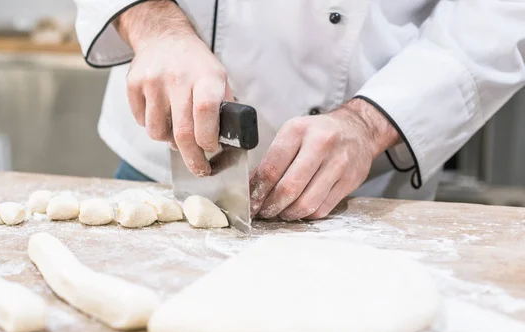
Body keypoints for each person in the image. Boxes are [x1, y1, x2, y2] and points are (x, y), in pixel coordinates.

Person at [73, 0, 525, 220]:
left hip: (367, 178)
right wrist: (155, 25)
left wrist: (368, 123)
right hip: (165, 159)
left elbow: (497, 17)